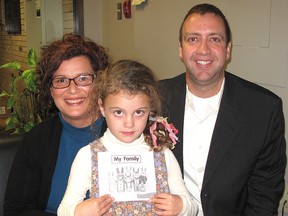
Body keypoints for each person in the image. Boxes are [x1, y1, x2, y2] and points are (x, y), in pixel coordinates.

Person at [160, 3, 286, 216]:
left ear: (228, 50)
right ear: (180, 49)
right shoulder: (153, 99)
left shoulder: (263, 110)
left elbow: (264, 196)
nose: (203, 49)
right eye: (193, 39)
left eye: (214, 39)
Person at [57, 59, 199, 216]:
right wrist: (79, 212)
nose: (129, 123)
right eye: (118, 112)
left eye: (139, 112)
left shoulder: (162, 154)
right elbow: (64, 209)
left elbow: (192, 206)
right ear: (102, 107)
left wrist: (181, 206)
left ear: (150, 109)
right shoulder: (87, 156)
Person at [4, 33, 111, 216]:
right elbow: (16, 211)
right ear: (50, 89)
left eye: (83, 78)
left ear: (99, 83)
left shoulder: (128, 132)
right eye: (61, 80)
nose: (72, 89)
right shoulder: (36, 140)